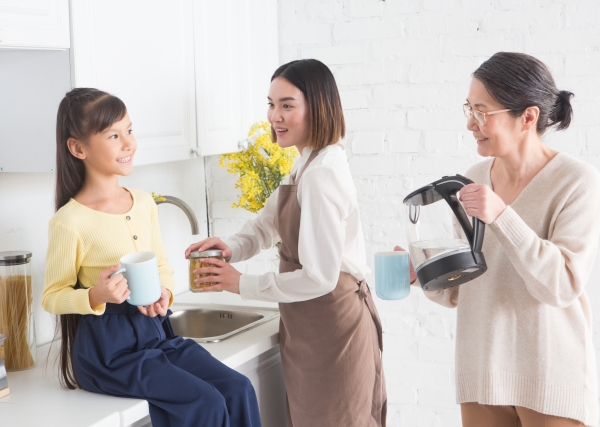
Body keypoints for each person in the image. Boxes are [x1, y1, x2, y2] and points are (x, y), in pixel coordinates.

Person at [401, 52, 600, 427]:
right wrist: (423, 275)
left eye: (482, 111)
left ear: (527, 117)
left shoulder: (577, 182)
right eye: (468, 108)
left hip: (549, 377)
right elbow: (464, 288)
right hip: (482, 374)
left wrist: (501, 215)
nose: (470, 123)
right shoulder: (474, 177)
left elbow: (561, 286)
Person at [42, 88, 262, 427]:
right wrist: (96, 295)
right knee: (203, 403)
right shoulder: (69, 222)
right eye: (114, 135)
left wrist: (166, 293)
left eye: (129, 130)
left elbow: (161, 265)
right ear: (78, 148)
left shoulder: (143, 202)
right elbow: (52, 297)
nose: (128, 143)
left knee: (237, 387)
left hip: (157, 334)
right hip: (108, 354)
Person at [185, 59, 387, 427]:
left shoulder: (322, 174)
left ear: (318, 107)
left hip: (333, 326)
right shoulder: (308, 161)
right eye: (271, 103)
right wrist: (232, 247)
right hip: (311, 325)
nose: (274, 116)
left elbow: (321, 277)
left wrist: (241, 283)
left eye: (287, 105)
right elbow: (268, 222)